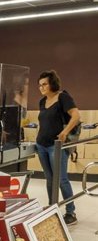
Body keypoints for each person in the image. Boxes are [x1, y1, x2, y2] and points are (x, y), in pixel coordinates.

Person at [36, 70, 80, 226]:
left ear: (52, 83)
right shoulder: (42, 102)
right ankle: (52, 207)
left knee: (61, 180)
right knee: (49, 179)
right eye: (40, 85)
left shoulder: (63, 97)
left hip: (57, 146)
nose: (41, 87)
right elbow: (43, 123)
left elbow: (76, 115)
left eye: (45, 84)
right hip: (42, 144)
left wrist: (65, 132)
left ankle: (71, 212)